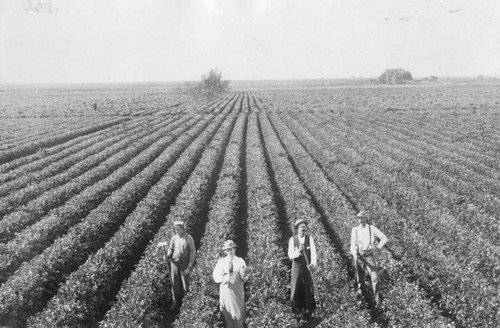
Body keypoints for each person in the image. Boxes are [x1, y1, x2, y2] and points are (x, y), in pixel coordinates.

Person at [350, 210, 388, 306]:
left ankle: (378, 301)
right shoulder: (355, 230)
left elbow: (384, 238)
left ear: (366, 218)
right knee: (360, 279)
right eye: (359, 218)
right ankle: (363, 300)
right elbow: (352, 244)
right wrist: (355, 255)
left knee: (374, 278)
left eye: (362, 218)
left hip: (369, 255)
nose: (360, 220)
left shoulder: (371, 228)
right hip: (359, 255)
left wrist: (378, 247)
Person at [158, 220, 196, 311]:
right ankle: (176, 303)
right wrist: (167, 255)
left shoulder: (188, 238)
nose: (176, 231)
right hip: (174, 263)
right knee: (174, 284)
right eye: (175, 229)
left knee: (185, 285)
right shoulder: (174, 238)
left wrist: (189, 267)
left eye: (178, 229)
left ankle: (187, 305)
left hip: (184, 264)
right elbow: (171, 249)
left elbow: (192, 252)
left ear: (183, 229)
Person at [213, 240, 247, 328]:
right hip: (226, 291)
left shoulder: (240, 261)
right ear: (225, 251)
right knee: (227, 314)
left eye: (231, 249)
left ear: (234, 249)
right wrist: (226, 278)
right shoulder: (222, 262)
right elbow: (216, 276)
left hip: (237, 291)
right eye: (227, 250)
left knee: (238, 314)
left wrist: (243, 274)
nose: (229, 252)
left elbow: (246, 276)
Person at [288, 219, 317, 320]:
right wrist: (299, 252)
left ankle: (311, 309)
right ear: (297, 229)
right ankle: (295, 310)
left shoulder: (310, 239)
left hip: (307, 266)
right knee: (295, 287)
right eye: (301, 227)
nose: (303, 229)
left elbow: (313, 253)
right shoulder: (293, 240)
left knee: (310, 287)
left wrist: (313, 264)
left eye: (304, 227)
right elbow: (290, 256)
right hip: (296, 266)